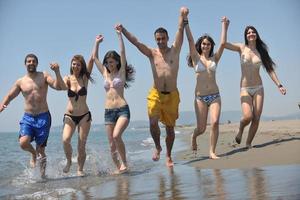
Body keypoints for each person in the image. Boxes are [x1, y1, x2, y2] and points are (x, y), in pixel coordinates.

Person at [118, 7, 188, 167]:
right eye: (158, 39)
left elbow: (179, 29)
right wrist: (123, 31)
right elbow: (136, 43)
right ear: (155, 39)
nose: (161, 41)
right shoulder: (152, 53)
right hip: (155, 93)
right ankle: (157, 147)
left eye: (163, 38)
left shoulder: (175, 51)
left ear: (167, 38)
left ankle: (169, 156)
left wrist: (181, 15)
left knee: (170, 129)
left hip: (172, 95)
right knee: (152, 122)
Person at [0, 54, 65, 178]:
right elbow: (9, 96)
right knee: (23, 142)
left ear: (37, 63)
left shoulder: (44, 76)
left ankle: (42, 177)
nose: (31, 63)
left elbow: (59, 87)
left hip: (43, 117)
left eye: (33, 61)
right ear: (25, 64)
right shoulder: (21, 82)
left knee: (42, 150)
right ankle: (33, 153)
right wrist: (2, 106)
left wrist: (57, 72)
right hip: (28, 117)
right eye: (29, 61)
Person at [225, 25, 287, 148]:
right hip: (245, 89)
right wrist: (225, 27)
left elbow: (270, 70)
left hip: (258, 87)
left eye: (253, 32)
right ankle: (241, 128)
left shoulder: (261, 51)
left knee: (257, 117)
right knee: (248, 116)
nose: (251, 34)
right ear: (246, 36)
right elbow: (224, 44)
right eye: (248, 32)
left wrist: (279, 85)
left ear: (256, 35)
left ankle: (248, 143)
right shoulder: (241, 48)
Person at [184, 10, 230, 159]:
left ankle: (212, 151)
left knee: (215, 122)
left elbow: (223, 44)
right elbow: (190, 41)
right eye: (204, 44)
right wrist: (186, 23)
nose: (206, 46)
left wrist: (224, 25)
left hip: (215, 95)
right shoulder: (195, 58)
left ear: (211, 46)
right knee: (202, 128)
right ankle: (194, 136)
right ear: (200, 45)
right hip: (200, 98)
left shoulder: (215, 58)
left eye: (208, 44)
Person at [93, 25, 135, 174]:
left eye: (112, 62)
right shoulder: (105, 73)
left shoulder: (121, 72)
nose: (110, 64)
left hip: (122, 109)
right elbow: (95, 58)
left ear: (117, 62)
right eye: (108, 62)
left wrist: (119, 35)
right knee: (111, 144)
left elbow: (123, 52)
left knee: (117, 136)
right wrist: (97, 43)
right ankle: (119, 169)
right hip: (108, 112)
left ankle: (124, 164)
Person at [53, 54, 94, 176]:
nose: (76, 66)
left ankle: (80, 169)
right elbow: (63, 87)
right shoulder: (68, 78)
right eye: (74, 64)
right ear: (71, 65)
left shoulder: (85, 78)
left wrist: (97, 43)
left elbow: (91, 59)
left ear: (82, 66)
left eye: (78, 64)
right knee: (65, 140)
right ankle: (69, 161)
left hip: (84, 116)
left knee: (81, 145)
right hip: (70, 116)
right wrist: (57, 71)